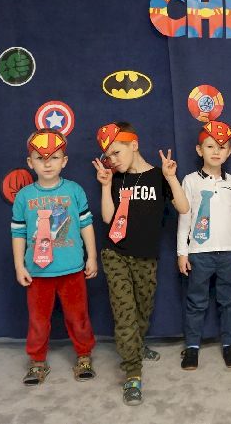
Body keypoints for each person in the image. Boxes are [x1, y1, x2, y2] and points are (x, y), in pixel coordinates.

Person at [92, 121, 189, 405]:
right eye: (108, 155)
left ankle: (137, 344)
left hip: (146, 256)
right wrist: (106, 186)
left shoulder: (158, 176)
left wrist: (171, 177)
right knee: (124, 313)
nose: (112, 159)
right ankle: (133, 372)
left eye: (116, 152)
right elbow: (108, 218)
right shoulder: (115, 178)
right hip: (116, 254)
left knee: (143, 309)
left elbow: (184, 208)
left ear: (133, 145)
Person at [11, 128, 98, 386]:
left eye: (54, 157)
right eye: (40, 158)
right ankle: (37, 361)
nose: (47, 164)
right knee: (38, 320)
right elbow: (18, 232)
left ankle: (84, 355)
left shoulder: (74, 191)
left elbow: (86, 225)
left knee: (78, 317)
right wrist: (19, 265)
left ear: (64, 161)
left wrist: (92, 256)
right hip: (38, 272)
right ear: (30, 162)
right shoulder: (24, 196)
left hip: (71, 268)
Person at [176, 121, 231, 370]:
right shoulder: (190, 181)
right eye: (210, 146)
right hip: (199, 252)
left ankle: (229, 345)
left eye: (222, 147)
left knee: (229, 301)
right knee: (196, 301)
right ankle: (192, 347)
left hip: (229, 252)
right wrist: (182, 252)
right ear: (199, 150)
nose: (216, 151)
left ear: (229, 151)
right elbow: (185, 217)